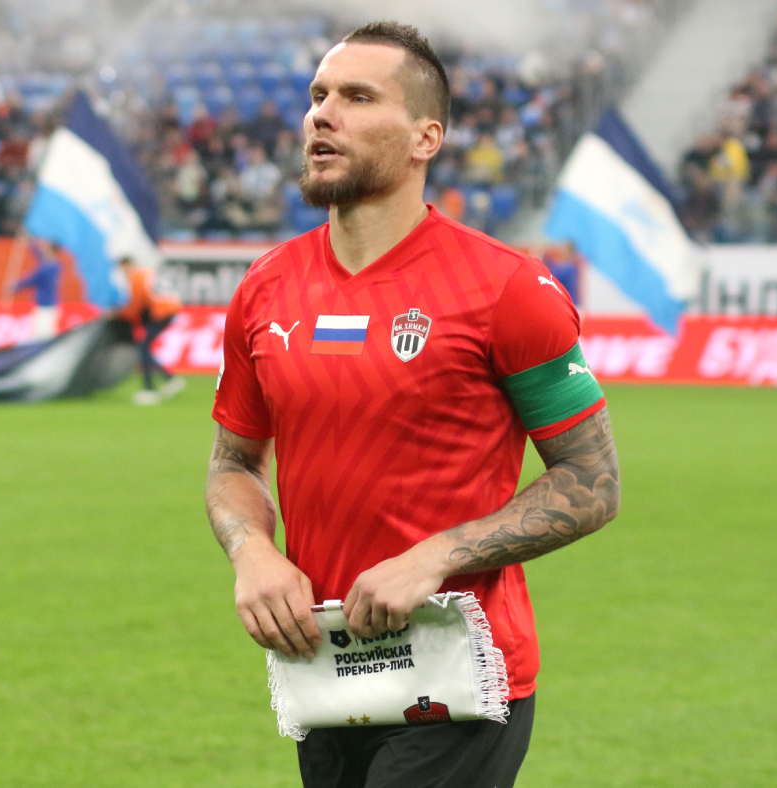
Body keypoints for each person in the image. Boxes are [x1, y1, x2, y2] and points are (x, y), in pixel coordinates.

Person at [204, 22, 620, 787]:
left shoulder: (507, 289)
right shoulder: (265, 287)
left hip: (459, 674)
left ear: (426, 138)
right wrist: (252, 552)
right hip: (325, 669)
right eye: (319, 95)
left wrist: (435, 558)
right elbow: (233, 462)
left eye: (358, 97)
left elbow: (592, 482)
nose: (323, 114)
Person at [116, 256, 184, 405]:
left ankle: (150, 389)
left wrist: (119, 314)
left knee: (143, 348)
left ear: (127, 266)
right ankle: (168, 379)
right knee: (144, 348)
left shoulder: (136, 278)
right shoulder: (146, 273)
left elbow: (136, 304)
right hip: (170, 308)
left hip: (162, 312)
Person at [14, 239, 63, 340]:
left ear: (49, 249)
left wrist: (15, 286)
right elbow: (39, 255)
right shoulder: (54, 264)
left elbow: (32, 280)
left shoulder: (47, 268)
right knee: (44, 331)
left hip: (45, 305)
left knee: (42, 334)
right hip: (50, 303)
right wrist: (31, 242)